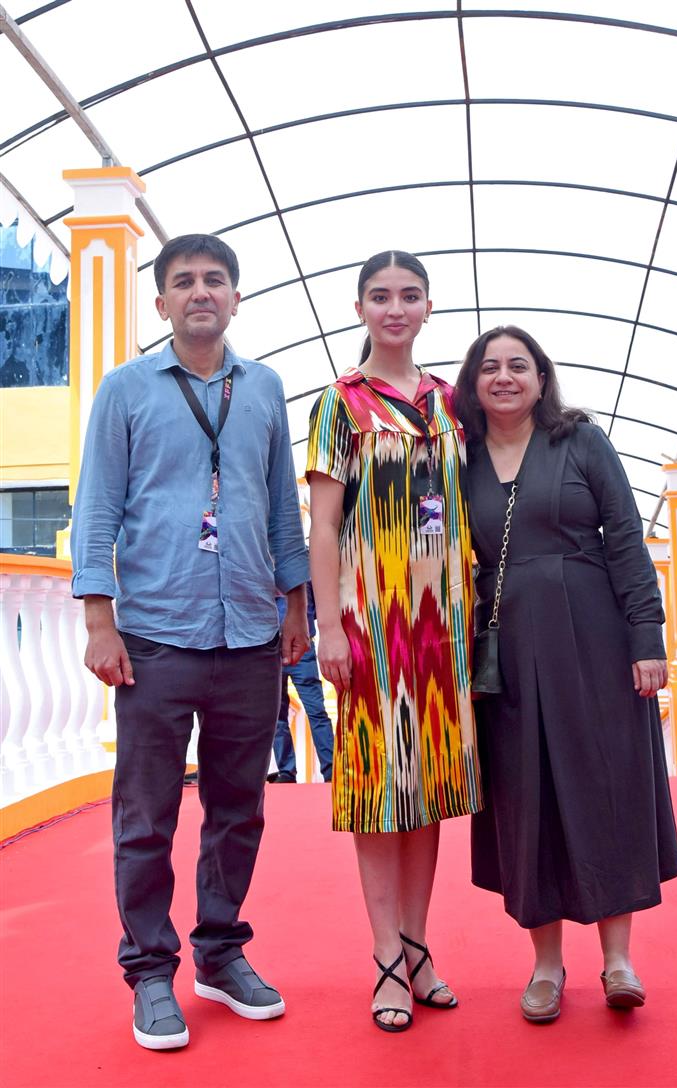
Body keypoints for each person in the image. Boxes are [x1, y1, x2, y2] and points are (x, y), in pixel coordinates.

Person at [71, 234, 309, 1050]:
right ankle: (148, 970)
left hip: (249, 632)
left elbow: (283, 506)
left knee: (239, 809)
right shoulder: (126, 390)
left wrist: (296, 606)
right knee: (146, 816)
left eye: (215, 280)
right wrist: (100, 620)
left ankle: (219, 953)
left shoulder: (267, 388)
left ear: (236, 298)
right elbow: (98, 505)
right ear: (163, 303)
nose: (200, 292)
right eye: (184, 282)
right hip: (156, 636)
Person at [454, 325, 677, 1023]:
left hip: (595, 639)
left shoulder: (581, 440)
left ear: (541, 376)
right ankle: (546, 967)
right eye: (489, 367)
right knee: (526, 800)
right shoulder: (457, 460)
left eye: (517, 365)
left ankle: (618, 961)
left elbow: (625, 537)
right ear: (472, 382)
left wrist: (647, 637)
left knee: (605, 785)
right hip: (507, 655)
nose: (503, 377)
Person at [307, 251, 481, 1032]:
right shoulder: (340, 403)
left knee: (430, 790)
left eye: (409, 296)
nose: (395, 309)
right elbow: (324, 524)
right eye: (380, 296)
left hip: (444, 623)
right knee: (381, 790)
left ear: (429, 307)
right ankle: (384, 956)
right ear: (359, 308)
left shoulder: (452, 403)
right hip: (370, 621)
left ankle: (419, 947)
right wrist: (328, 624)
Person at [268, 583, 334, 783]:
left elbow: (317, 607)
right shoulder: (263, 562)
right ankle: (287, 771)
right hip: (271, 649)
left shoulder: (303, 565)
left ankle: (331, 768)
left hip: (300, 647)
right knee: (276, 717)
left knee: (316, 711)